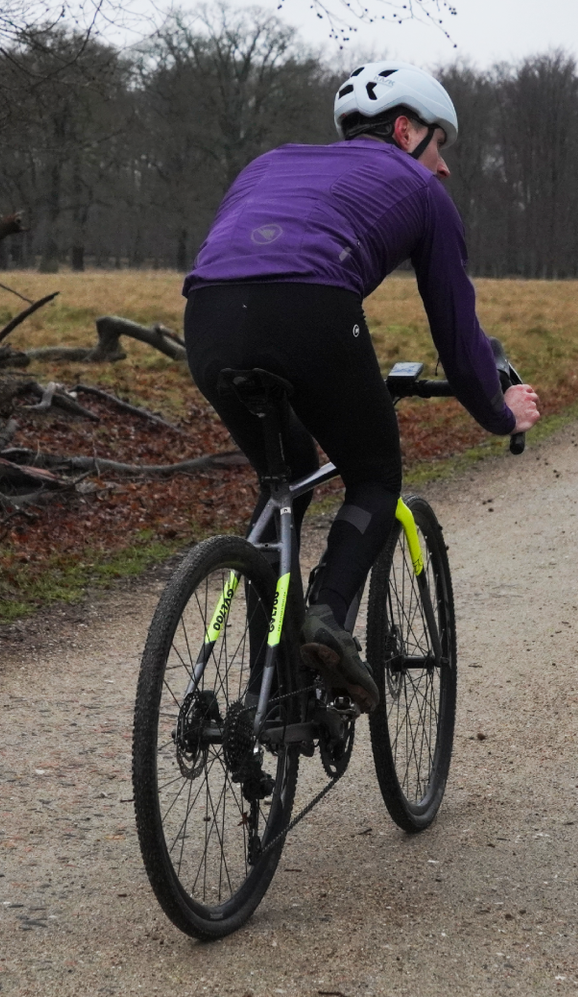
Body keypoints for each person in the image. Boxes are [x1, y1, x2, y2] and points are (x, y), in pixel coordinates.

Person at [182, 62, 540, 712]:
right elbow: (458, 340)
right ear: (406, 130)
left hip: (206, 317)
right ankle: (324, 617)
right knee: (374, 475)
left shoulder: (269, 162)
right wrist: (499, 411)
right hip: (311, 310)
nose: (445, 168)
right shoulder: (423, 192)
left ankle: (274, 684)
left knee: (285, 474)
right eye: (441, 145)